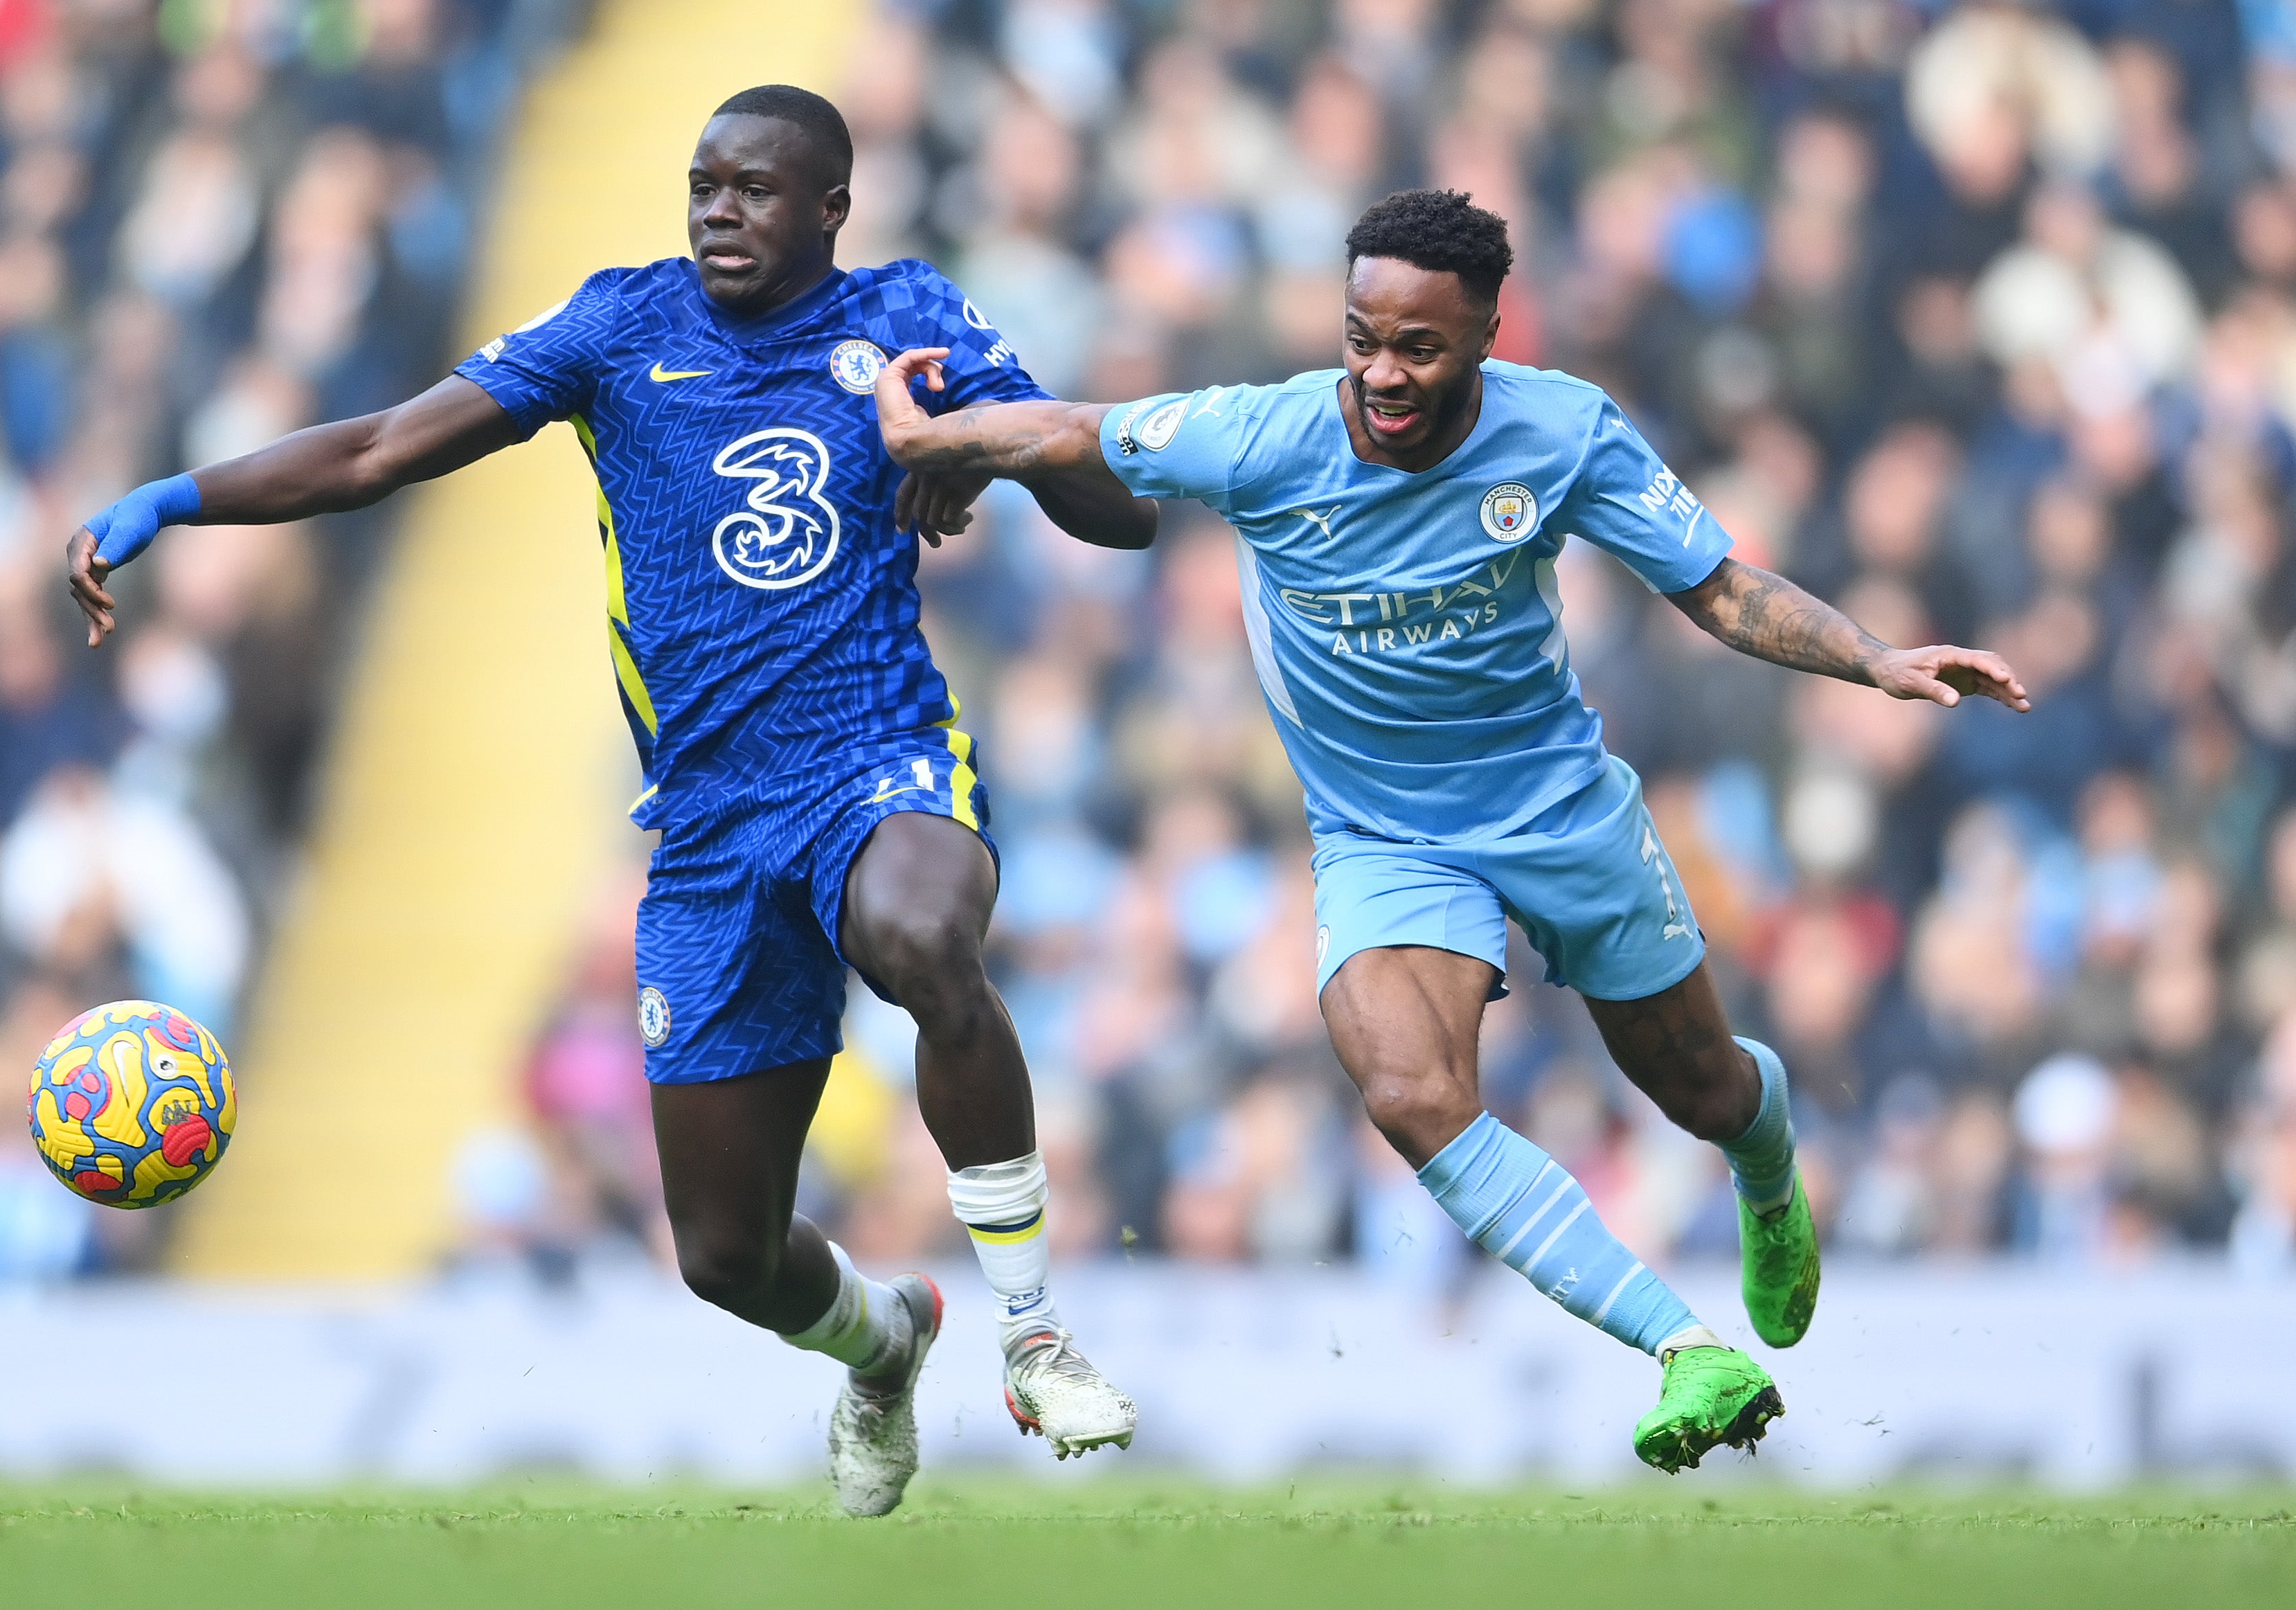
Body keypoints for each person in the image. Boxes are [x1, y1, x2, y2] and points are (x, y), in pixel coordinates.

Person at [65, 85, 1154, 1515]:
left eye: (754, 189)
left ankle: (1033, 1324)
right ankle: (883, 1345)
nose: (716, 209)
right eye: (701, 183)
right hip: (705, 829)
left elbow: (1117, 509)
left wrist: (970, 443)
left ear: (830, 207)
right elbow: (385, 447)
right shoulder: (618, 329)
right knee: (724, 1255)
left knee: (920, 937)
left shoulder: (906, 317)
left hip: (872, 760)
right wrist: (180, 497)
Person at [870, 188, 2031, 1473]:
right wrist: (942, 439)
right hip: (1382, 837)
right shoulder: (1263, 435)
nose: (1381, 372)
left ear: (1486, 332)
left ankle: (1768, 1156)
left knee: (1698, 1087)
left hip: (1558, 805)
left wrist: (1874, 657)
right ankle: (1685, 1349)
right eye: (1362, 335)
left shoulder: (1564, 431)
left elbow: (1717, 586)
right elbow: (1080, 432)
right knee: (1408, 1089)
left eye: (1418, 346)